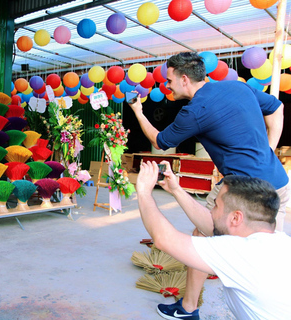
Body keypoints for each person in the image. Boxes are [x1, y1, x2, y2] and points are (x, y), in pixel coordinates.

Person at [129, 52, 290, 318]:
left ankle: (190, 307)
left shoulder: (195, 111)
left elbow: (159, 141)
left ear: (184, 79)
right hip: (279, 185)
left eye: (169, 80)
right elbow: (277, 108)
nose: (166, 86)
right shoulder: (237, 85)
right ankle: (193, 305)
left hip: (243, 193)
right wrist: (267, 151)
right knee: (267, 258)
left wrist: (138, 111)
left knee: (204, 238)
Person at [136, 160, 291, 320]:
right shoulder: (279, 242)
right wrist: (176, 190)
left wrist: (144, 192)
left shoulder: (239, 252)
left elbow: (164, 239)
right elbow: (210, 224)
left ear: (236, 217)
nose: (211, 211)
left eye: (216, 206)